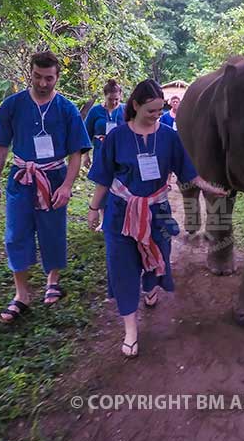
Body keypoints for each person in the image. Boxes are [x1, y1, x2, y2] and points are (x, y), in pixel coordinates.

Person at [87, 79, 226, 358]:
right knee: (123, 266)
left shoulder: (168, 136)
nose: (157, 115)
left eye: (160, 110)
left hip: (157, 212)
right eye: (151, 110)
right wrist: (93, 208)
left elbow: (188, 171)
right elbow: (102, 178)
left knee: (157, 257)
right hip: (121, 214)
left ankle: (151, 288)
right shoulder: (116, 138)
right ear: (135, 105)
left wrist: (210, 187)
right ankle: (130, 330)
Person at [0, 51, 92, 324]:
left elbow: (76, 152)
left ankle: (52, 280)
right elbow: (0, 146)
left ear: (57, 77)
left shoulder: (67, 109)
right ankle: (21, 294)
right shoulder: (13, 105)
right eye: (37, 77)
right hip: (21, 178)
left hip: (54, 178)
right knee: (15, 234)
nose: (43, 83)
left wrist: (68, 185)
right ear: (29, 73)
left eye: (49, 78)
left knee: (53, 231)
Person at [83, 79, 125, 169]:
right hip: (100, 154)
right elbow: (86, 133)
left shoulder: (126, 110)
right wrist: (85, 155)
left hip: (121, 154)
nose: (113, 102)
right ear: (105, 96)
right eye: (110, 99)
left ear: (121, 96)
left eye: (116, 99)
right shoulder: (95, 111)